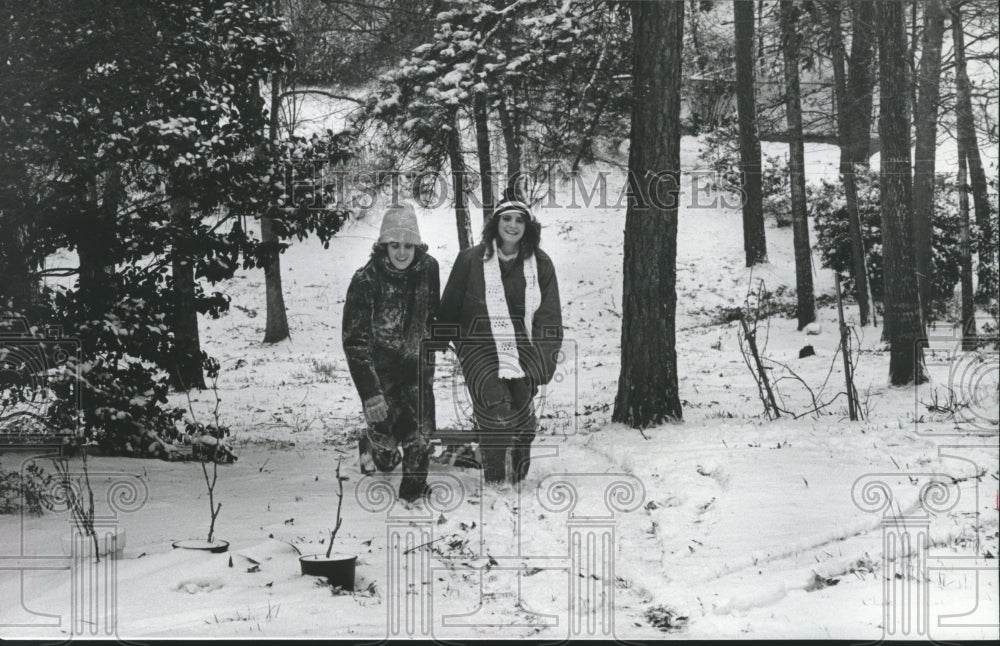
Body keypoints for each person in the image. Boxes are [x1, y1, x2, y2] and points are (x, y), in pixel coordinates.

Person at [438, 199, 563, 485]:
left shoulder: (540, 264)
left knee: (523, 415)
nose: (513, 225)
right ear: (496, 223)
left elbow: (549, 319)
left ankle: (515, 475)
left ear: (528, 227)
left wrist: (539, 368)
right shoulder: (471, 259)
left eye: (520, 220)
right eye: (507, 218)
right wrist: (436, 341)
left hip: (521, 348)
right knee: (497, 406)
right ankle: (496, 482)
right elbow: (450, 306)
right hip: (476, 345)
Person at [342, 202, 440, 502]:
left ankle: (413, 493)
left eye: (409, 245)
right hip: (380, 375)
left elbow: (433, 313)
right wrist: (370, 393)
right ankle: (372, 448)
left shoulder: (428, 269)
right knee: (387, 448)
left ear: (417, 247)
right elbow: (354, 342)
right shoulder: (365, 280)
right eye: (394, 245)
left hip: (416, 371)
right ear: (383, 245)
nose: (402, 253)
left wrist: (435, 340)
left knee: (420, 436)